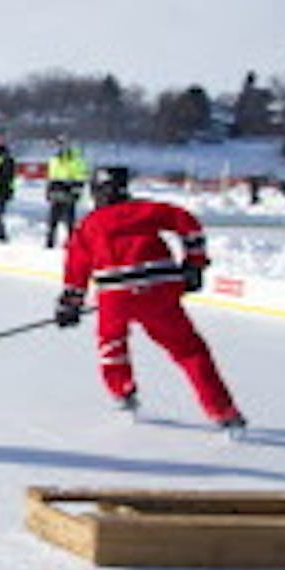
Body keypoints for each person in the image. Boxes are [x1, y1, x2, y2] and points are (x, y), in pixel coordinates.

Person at [56, 166, 244, 435]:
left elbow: (77, 267)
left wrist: (71, 303)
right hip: (161, 289)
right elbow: (187, 222)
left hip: (115, 295)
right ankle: (223, 411)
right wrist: (194, 263)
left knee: (111, 342)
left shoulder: (89, 225)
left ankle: (122, 392)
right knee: (190, 351)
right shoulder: (145, 210)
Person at [45, 139, 89, 248]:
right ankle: (50, 242)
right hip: (55, 190)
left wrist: (75, 189)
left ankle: (72, 243)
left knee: (69, 220)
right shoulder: (53, 159)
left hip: (68, 190)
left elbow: (81, 176)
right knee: (52, 220)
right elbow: (51, 175)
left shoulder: (75, 160)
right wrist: (49, 190)